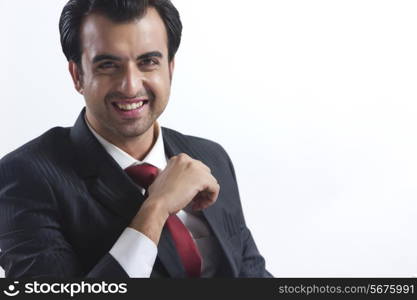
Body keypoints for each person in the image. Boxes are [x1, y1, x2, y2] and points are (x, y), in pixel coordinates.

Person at [0, 0, 271, 278]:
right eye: (108, 65)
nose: (130, 85)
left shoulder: (210, 157)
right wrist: (156, 208)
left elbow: (252, 273)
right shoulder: (24, 177)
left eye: (148, 62)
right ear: (77, 75)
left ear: (170, 68)